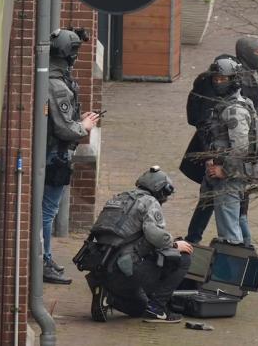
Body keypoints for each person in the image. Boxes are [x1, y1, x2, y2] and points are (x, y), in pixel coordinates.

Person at [182, 36, 258, 249]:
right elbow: (204, 124)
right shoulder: (229, 99)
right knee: (222, 211)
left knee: (230, 224)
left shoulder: (236, 107)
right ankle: (199, 243)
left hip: (229, 173)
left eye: (223, 79)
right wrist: (211, 159)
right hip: (219, 168)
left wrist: (225, 169)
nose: (219, 83)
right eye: (217, 79)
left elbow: (240, 146)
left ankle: (240, 257)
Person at [84, 166, 193, 323]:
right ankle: (157, 309)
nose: (166, 197)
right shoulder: (150, 202)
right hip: (127, 270)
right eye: (166, 192)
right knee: (184, 258)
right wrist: (175, 245)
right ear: (159, 189)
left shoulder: (119, 198)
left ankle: (107, 296)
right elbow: (154, 235)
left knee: (140, 308)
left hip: (101, 272)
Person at [43, 28, 100, 284]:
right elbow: (65, 129)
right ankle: (43, 260)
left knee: (47, 210)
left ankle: (44, 257)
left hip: (51, 154)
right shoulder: (57, 85)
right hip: (54, 156)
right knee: (47, 211)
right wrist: (83, 126)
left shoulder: (52, 77)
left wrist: (78, 120)